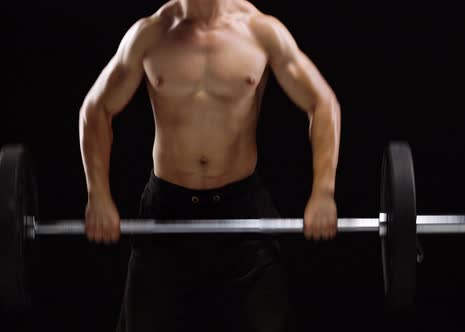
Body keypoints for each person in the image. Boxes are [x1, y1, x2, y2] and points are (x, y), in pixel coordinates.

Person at [78, 0, 341, 331]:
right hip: (166, 211)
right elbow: (96, 109)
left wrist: (324, 191)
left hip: (241, 212)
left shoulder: (261, 31)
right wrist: (98, 194)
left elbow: (322, 102)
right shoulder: (151, 34)